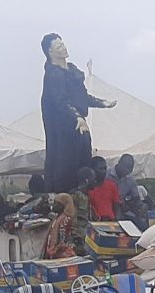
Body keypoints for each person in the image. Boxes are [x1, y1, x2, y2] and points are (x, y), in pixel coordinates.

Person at [41, 33, 114, 192]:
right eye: (58, 46)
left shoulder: (72, 71)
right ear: (51, 52)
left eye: (63, 44)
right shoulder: (53, 74)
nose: (63, 48)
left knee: (83, 157)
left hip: (78, 125)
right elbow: (60, 101)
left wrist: (101, 103)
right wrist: (77, 117)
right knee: (66, 163)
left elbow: (82, 97)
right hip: (64, 129)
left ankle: (81, 189)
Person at [112, 154, 148, 230]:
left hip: (124, 213)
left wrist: (139, 206)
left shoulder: (131, 180)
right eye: (125, 167)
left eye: (130, 168)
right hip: (108, 210)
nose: (127, 171)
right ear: (119, 162)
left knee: (143, 227)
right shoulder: (106, 175)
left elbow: (136, 199)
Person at [44, 194, 80, 259]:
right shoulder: (58, 217)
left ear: (63, 205)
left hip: (62, 255)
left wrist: (53, 250)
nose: (54, 205)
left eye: (57, 203)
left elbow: (63, 241)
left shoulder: (65, 220)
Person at [86, 157, 121, 221]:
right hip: (95, 223)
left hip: (112, 222)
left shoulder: (112, 185)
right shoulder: (88, 188)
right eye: (101, 169)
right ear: (93, 170)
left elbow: (117, 207)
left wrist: (116, 220)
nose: (104, 171)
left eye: (105, 168)